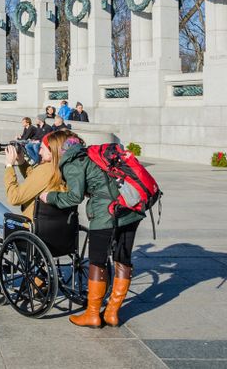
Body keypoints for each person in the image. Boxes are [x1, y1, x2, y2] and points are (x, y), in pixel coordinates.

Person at [41, 134, 144, 328]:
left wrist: (50, 197)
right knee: (123, 259)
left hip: (106, 214)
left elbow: (74, 197)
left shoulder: (72, 161)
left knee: (97, 262)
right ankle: (112, 313)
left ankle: (93, 314)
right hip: (131, 208)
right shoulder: (92, 154)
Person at [0, 129, 73, 281]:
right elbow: (36, 181)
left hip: (29, 227)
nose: (40, 153)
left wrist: (9, 166)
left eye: (42, 148)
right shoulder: (65, 169)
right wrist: (22, 162)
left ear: (52, 151)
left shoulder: (46, 170)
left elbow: (14, 197)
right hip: (58, 232)